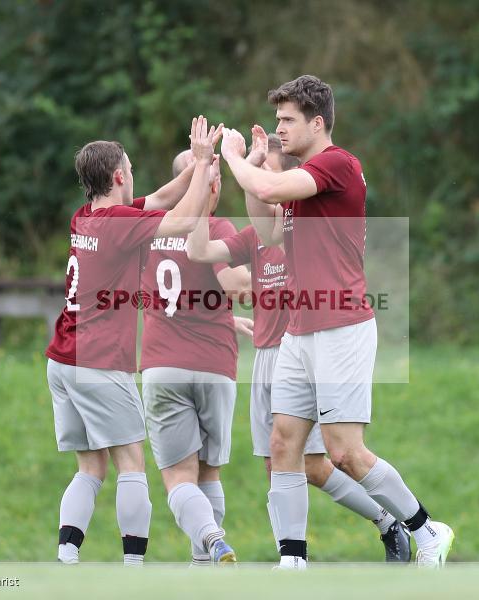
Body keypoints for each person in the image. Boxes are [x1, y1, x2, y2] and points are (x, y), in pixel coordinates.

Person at [220, 75, 454, 569]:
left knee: (345, 451)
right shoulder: (304, 177)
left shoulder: (336, 164)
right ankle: (292, 562)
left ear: (317, 122)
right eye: (278, 119)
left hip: (341, 326)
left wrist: (237, 158)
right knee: (284, 442)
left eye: (288, 120)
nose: (280, 128)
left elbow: (265, 185)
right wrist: (258, 166)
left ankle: (426, 528)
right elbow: (267, 230)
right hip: (300, 331)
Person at [186, 133, 411, 563]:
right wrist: (202, 187)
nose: (261, 177)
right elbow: (211, 260)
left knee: (320, 460)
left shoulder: (307, 220)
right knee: (282, 461)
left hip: (308, 345)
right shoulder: (260, 231)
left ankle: (386, 521)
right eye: (260, 169)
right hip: (270, 352)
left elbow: (243, 281)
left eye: (270, 169)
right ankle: (292, 558)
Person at [44, 116, 221, 566]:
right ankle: (133, 568)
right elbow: (181, 220)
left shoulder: (87, 216)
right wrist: (201, 167)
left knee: (90, 467)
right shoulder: (117, 224)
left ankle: (66, 556)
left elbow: (162, 198)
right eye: (131, 168)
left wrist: (200, 164)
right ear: (119, 176)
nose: (136, 175)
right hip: (98, 361)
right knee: (131, 463)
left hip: (62, 359)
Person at [136, 147, 251, 565]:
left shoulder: (146, 228)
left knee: (178, 478)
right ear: (208, 183)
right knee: (209, 474)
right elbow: (235, 285)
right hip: (215, 364)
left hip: (163, 364)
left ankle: (211, 540)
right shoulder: (216, 226)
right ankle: (209, 564)